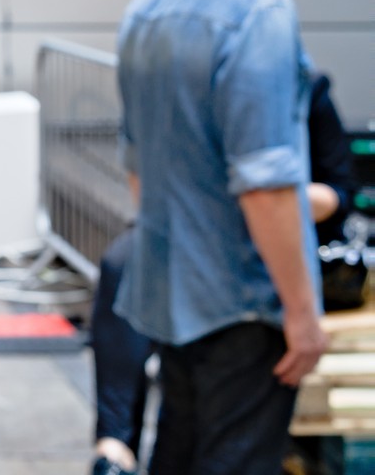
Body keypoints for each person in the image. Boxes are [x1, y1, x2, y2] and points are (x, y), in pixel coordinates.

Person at [110, 0, 328, 474]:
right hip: (241, 305)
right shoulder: (260, 11)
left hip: (170, 295)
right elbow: (265, 183)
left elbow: (138, 168)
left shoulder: (146, 6)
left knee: (177, 455)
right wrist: (302, 315)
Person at [89, 72, 357, 475]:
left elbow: (336, 192)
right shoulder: (192, 89)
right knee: (124, 264)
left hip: (266, 261)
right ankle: (115, 441)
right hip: (199, 254)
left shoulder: (303, 89)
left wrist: (263, 202)